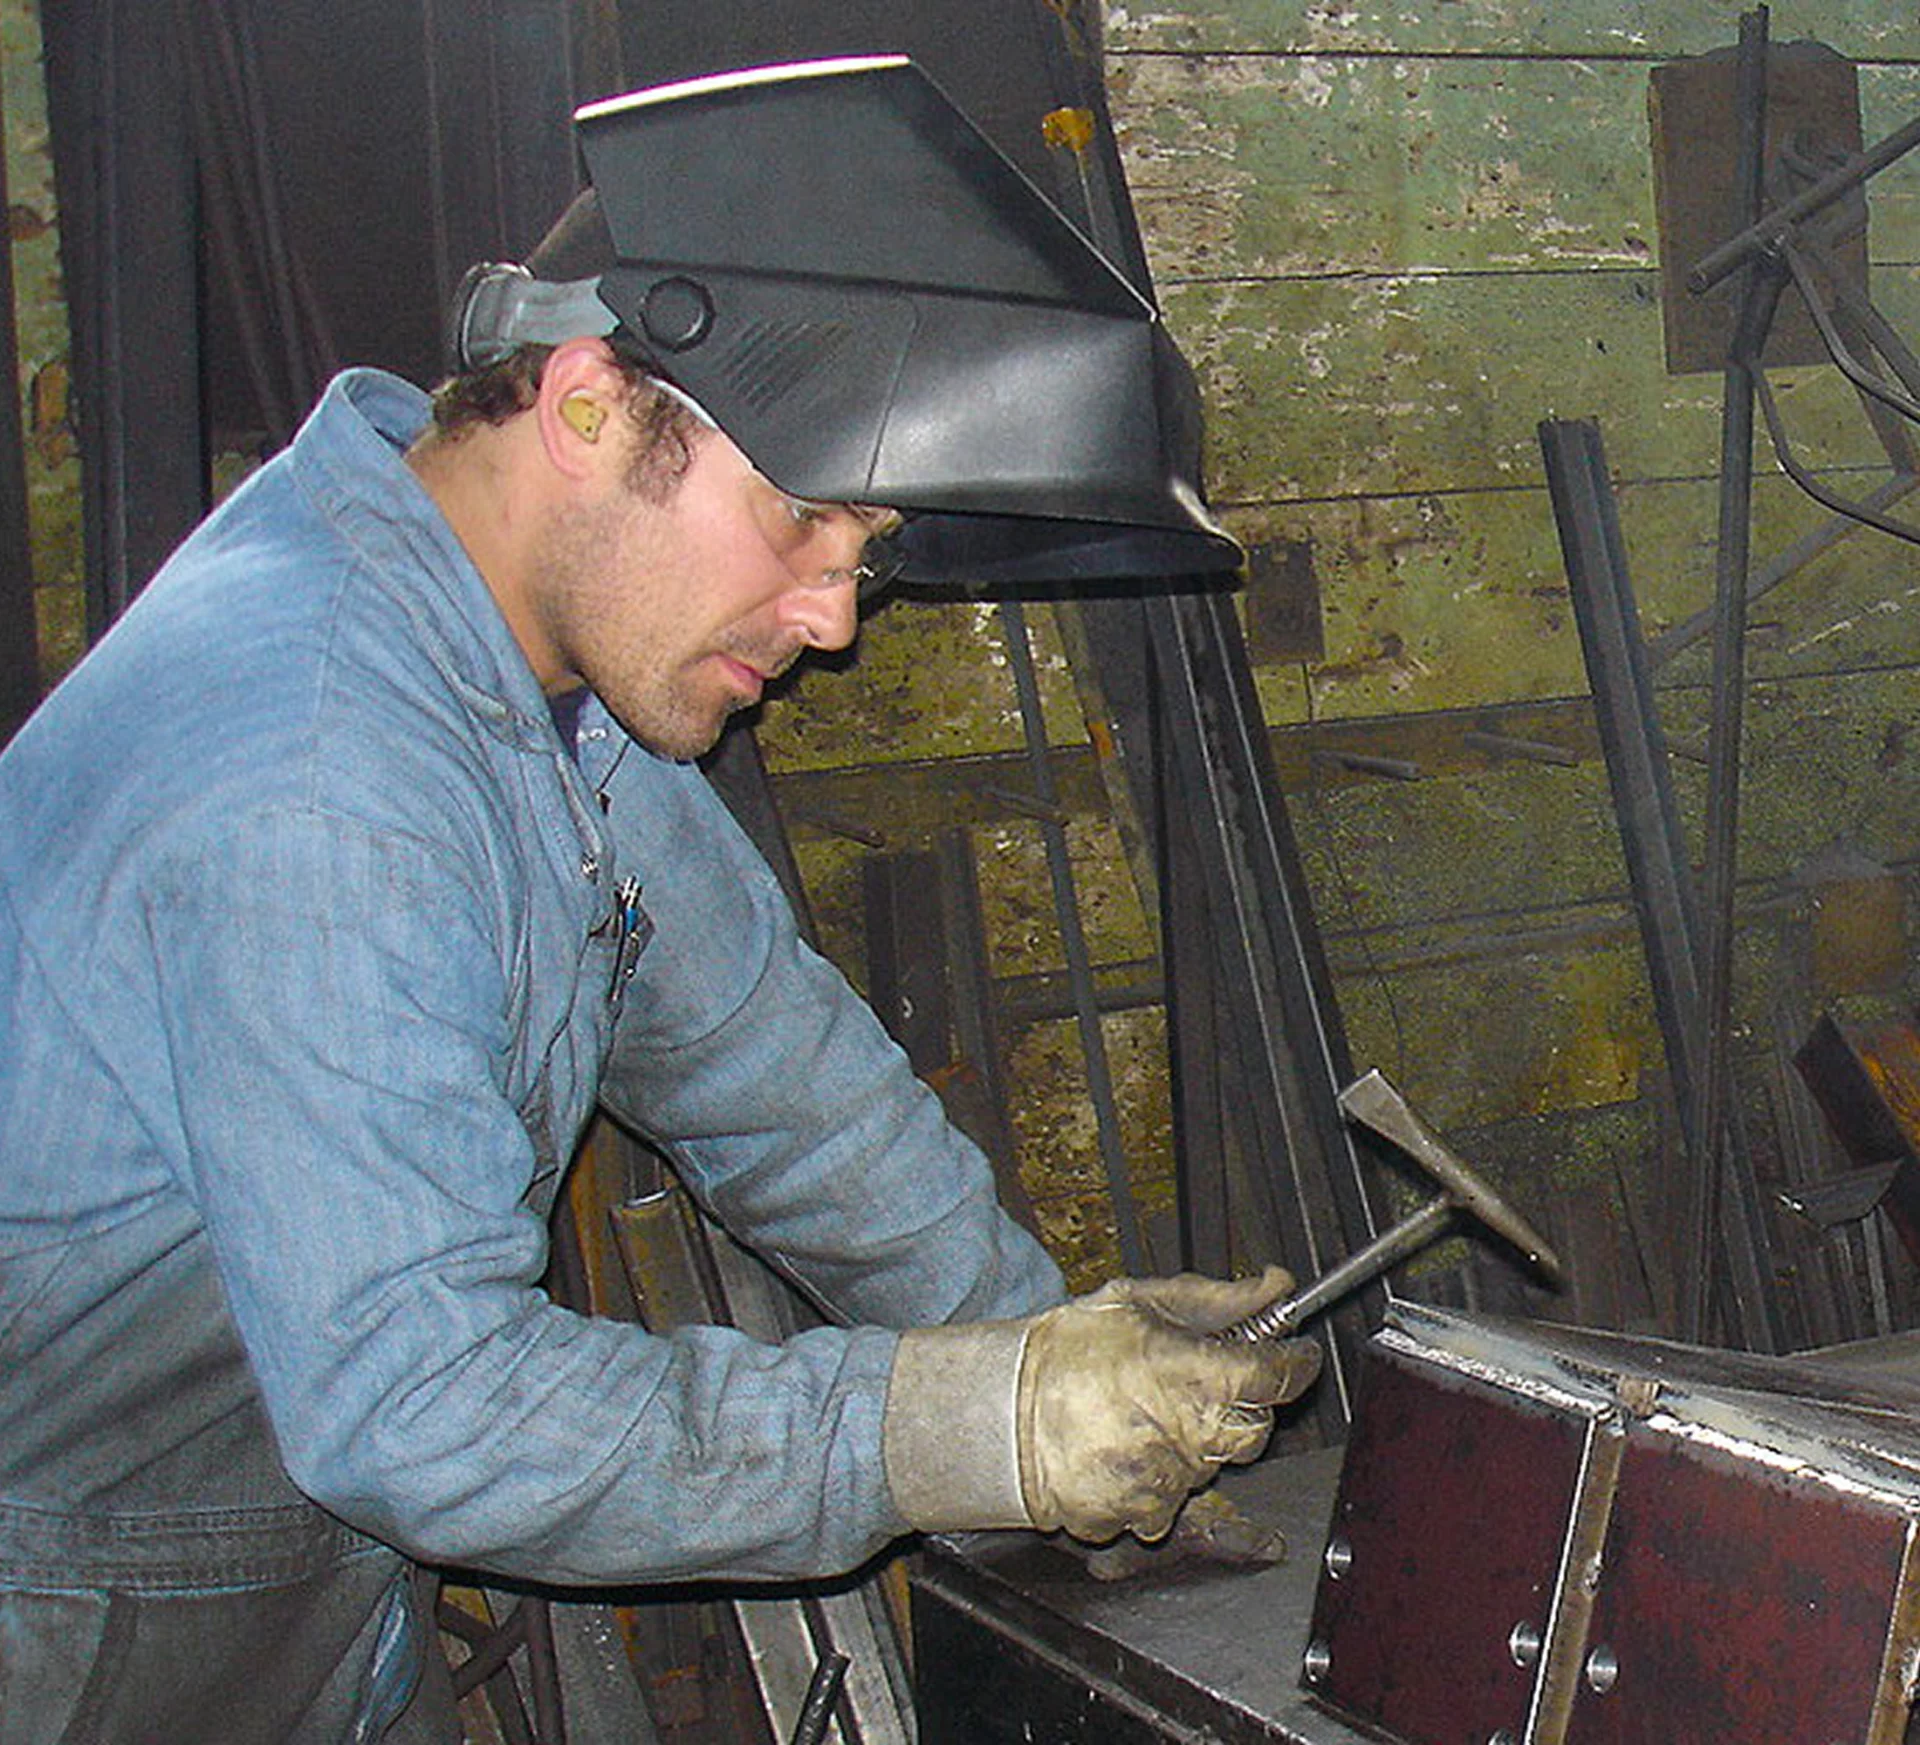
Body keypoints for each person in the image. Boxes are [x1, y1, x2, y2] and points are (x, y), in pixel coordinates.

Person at [0, 56, 1320, 1742]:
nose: (836, 617)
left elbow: (778, 1077)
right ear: (586, 407)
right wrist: (954, 1428)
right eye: (802, 521)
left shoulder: (535, 679)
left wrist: (1047, 1372)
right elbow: (429, 1406)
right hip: (72, 1642)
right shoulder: (321, 770)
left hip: (294, 1599)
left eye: (868, 550)